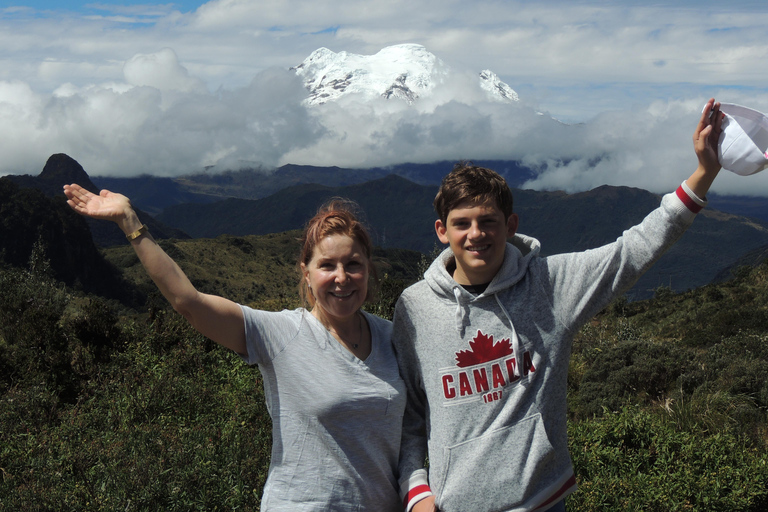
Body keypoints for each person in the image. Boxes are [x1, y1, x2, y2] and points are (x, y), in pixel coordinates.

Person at [392, 98, 726, 512]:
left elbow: (631, 251)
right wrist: (417, 493)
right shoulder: (415, 308)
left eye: (488, 221)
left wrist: (703, 174)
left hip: (543, 502)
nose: (476, 234)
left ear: (510, 225)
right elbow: (408, 415)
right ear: (443, 231)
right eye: (462, 223)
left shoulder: (550, 285)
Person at [62, 188, 406, 512]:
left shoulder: (394, 339)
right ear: (307, 273)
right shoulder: (281, 334)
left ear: (369, 267)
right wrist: (130, 223)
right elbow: (189, 302)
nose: (342, 277)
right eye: (327, 265)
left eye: (353, 264)